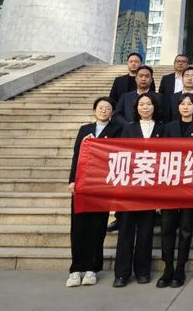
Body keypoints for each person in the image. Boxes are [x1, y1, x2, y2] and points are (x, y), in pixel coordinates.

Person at [66, 97, 123, 287]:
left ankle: (92, 268)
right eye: (100, 107)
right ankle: (76, 269)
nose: (103, 110)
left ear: (112, 112)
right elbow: (77, 155)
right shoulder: (85, 130)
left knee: (97, 228)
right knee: (78, 228)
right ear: (94, 110)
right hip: (82, 184)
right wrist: (72, 180)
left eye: (108, 108)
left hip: (102, 185)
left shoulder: (117, 130)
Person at [113, 93, 164, 287]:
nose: (145, 107)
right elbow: (121, 155)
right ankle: (122, 274)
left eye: (148, 104)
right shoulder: (128, 128)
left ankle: (142, 271)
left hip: (152, 187)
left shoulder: (162, 128)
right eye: (141, 104)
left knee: (146, 231)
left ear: (154, 107)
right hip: (130, 188)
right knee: (126, 231)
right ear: (136, 108)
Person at [157, 94, 193, 289]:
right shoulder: (168, 128)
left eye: (189, 104)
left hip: (190, 185)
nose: (186, 107)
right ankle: (168, 267)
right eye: (182, 104)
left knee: (186, 229)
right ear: (178, 107)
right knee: (167, 228)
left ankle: (180, 268)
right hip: (170, 184)